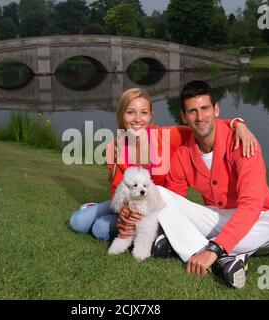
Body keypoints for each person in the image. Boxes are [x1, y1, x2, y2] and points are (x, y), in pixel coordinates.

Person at [153, 81, 269, 288]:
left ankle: (207, 251)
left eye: (205, 108)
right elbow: (174, 201)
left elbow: (251, 205)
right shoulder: (182, 154)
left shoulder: (243, 142)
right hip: (217, 218)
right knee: (158, 196)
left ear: (216, 109)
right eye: (192, 111)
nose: (200, 117)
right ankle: (225, 262)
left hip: (257, 219)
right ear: (184, 117)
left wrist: (215, 248)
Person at [69, 88, 258, 243]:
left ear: (151, 116)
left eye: (143, 113)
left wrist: (237, 124)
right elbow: (116, 189)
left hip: (158, 207)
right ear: (122, 115)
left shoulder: (167, 136)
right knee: (77, 222)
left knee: (100, 228)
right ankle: (98, 211)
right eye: (130, 112)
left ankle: (144, 234)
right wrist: (125, 213)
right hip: (129, 203)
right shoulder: (114, 147)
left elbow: (202, 125)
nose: (137, 119)